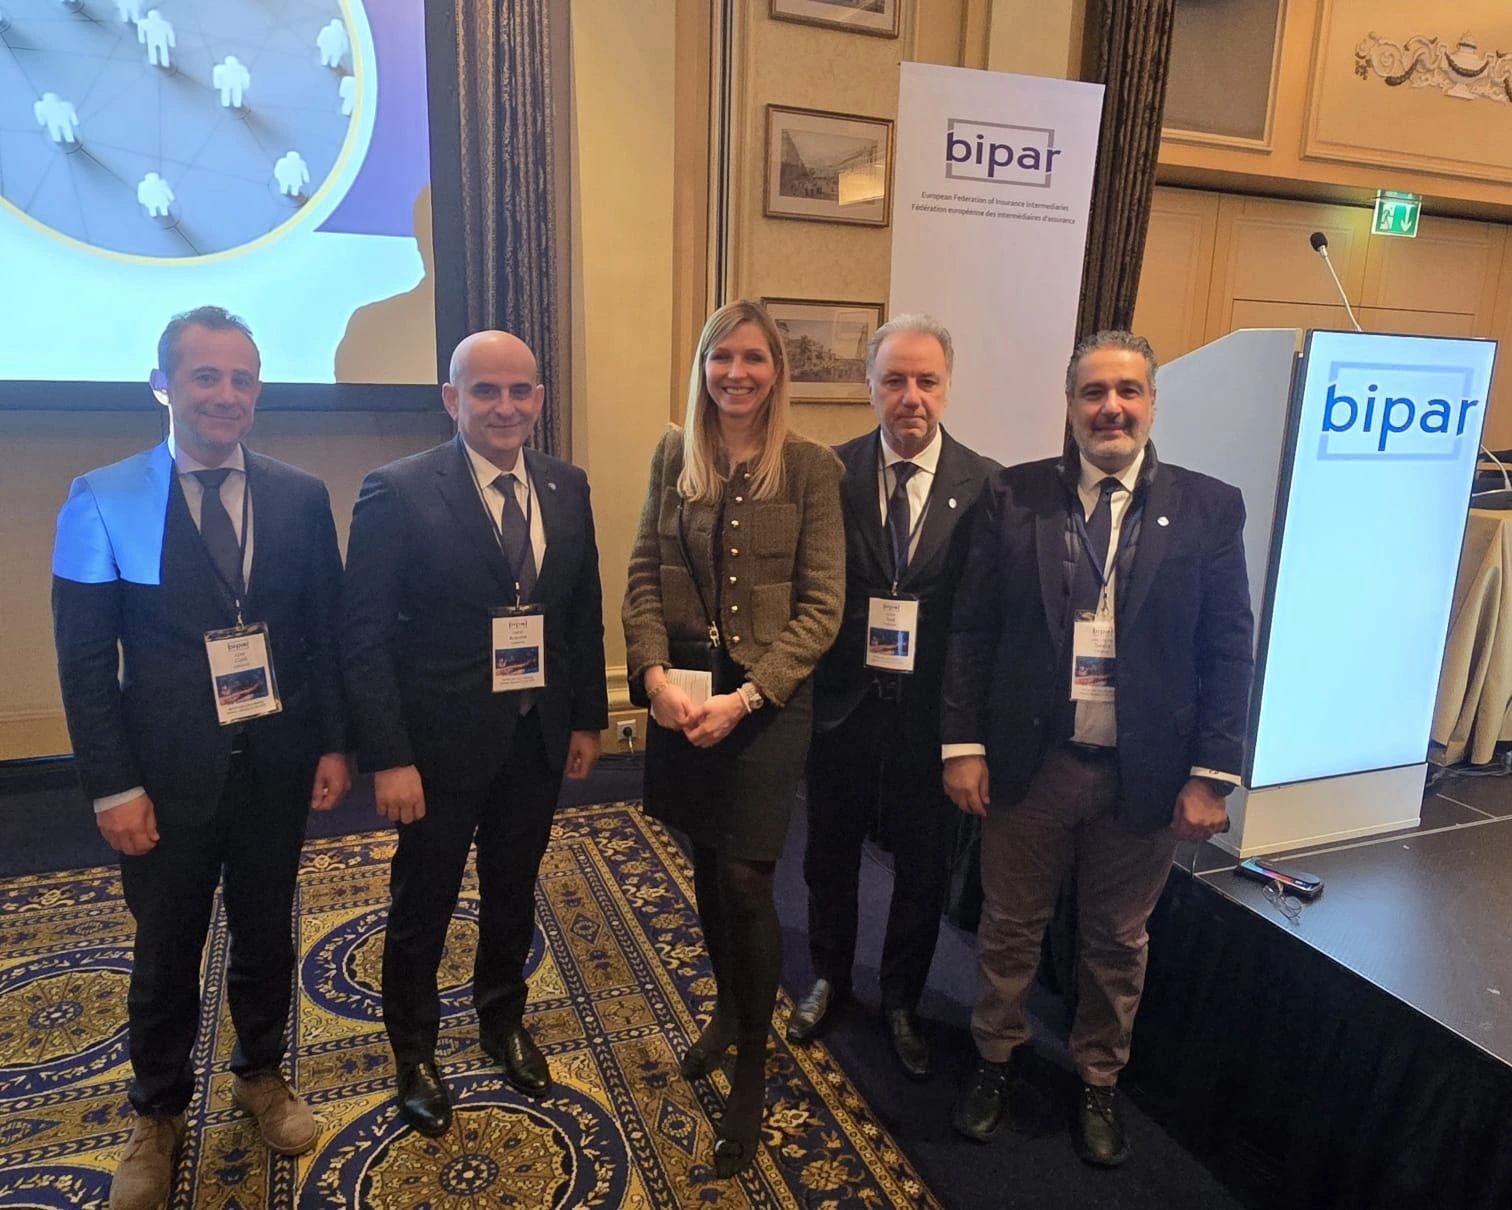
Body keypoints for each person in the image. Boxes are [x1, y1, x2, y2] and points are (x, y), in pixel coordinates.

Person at [51, 306, 351, 1210]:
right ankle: (157, 1112)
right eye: (205, 376)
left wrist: (334, 743)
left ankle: (262, 1073)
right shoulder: (99, 499)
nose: (227, 395)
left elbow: (324, 634)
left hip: (276, 764)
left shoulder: (301, 495)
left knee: (266, 931)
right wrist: (113, 786)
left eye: (242, 378)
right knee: (166, 948)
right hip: (164, 778)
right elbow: (84, 664)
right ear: (164, 386)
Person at [941, 330, 1254, 1166]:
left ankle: (1098, 1078)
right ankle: (996, 1059)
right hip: (1030, 765)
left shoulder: (1210, 508)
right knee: (1009, 927)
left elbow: (1228, 648)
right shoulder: (1013, 496)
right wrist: (962, 744)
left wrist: (1212, 775)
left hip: (1143, 775)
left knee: (1117, 941)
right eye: (1093, 392)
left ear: (1152, 402)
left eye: (1127, 391)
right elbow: (972, 631)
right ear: (1070, 405)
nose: (1110, 407)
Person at [343, 330, 608, 1138]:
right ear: (451, 399)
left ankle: (502, 1019)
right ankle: (413, 1050)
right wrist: (389, 757)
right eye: (485, 391)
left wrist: (587, 717)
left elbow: (580, 613)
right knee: (423, 901)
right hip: (436, 750)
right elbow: (363, 638)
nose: (504, 406)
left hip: (535, 737)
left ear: (539, 399)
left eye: (519, 390)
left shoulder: (566, 485)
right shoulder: (397, 491)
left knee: (512, 887)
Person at [622, 299, 844, 1178]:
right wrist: (651, 679)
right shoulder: (673, 454)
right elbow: (644, 574)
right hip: (685, 696)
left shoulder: (813, 469)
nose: (737, 374)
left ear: (776, 371)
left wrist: (747, 698)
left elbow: (822, 608)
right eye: (723, 357)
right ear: (703, 367)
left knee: (748, 879)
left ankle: (754, 1054)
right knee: (707, 863)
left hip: (767, 704)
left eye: (754, 358)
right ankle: (725, 1007)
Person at [787, 315, 994, 1079]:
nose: (912, 397)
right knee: (828, 855)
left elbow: (984, 619)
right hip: (843, 707)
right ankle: (829, 977)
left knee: (923, 870)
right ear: (869, 387)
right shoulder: (828, 472)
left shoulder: (988, 485)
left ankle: (903, 998)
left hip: (933, 717)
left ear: (947, 387)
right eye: (895, 380)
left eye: (927, 381)